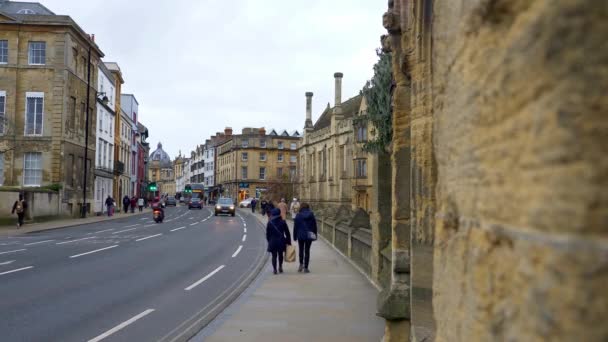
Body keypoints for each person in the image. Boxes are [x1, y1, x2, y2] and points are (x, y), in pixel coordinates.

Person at [266, 208, 291, 274]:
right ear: (279, 213)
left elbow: (268, 234)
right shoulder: (283, 222)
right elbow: (287, 233)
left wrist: (269, 241)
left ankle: (274, 269)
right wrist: (289, 242)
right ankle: (280, 266)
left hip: (273, 241)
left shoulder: (270, 223)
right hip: (281, 240)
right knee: (280, 255)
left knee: (274, 256)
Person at [293, 203, 318, 273]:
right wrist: (315, 235)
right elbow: (314, 226)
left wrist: (295, 236)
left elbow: (295, 227)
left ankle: (301, 264)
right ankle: (306, 268)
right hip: (309, 234)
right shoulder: (311, 214)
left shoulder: (298, 215)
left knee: (301, 250)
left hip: (300, 235)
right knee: (307, 251)